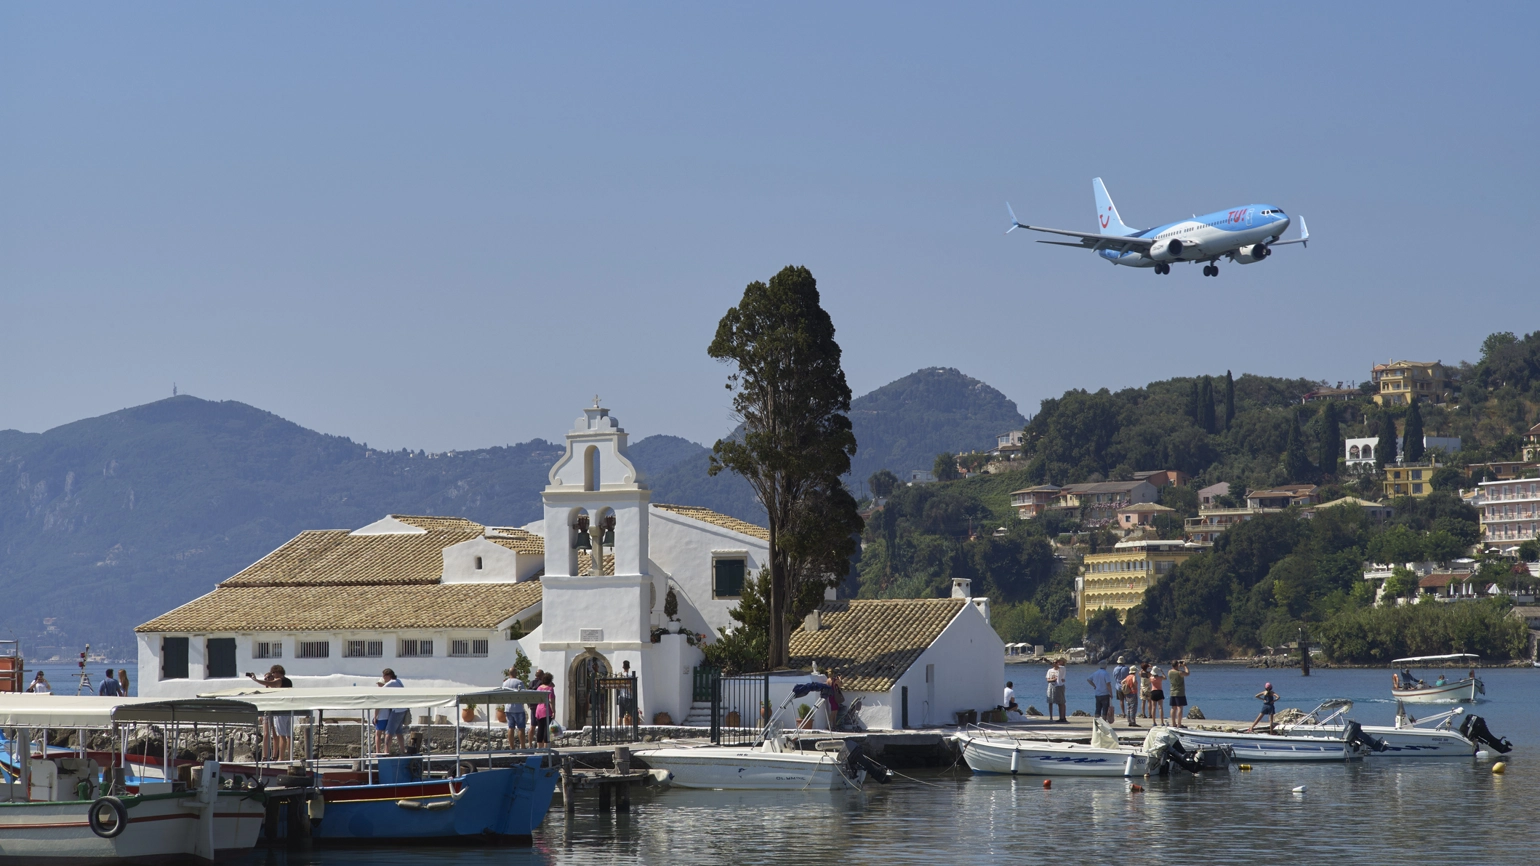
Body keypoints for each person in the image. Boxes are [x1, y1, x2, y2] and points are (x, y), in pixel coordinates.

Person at [247, 665, 294, 761]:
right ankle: (290, 758)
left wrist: (255, 680)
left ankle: (281, 758)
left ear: (277, 672)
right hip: (289, 709)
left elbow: (269, 683)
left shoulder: (280, 680)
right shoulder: (288, 681)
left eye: (273, 673)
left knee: (281, 735)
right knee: (289, 735)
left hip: (280, 709)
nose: (273, 675)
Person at [375, 669, 408, 755]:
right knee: (399, 732)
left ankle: (386, 752)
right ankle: (403, 750)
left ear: (388, 675)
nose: (383, 678)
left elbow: (380, 692)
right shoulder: (398, 681)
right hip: (403, 709)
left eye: (384, 676)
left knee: (388, 732)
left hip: (396, 710)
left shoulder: (391, 683)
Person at [502, 668, 528, 750]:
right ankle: (522, 747)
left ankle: (512, 747)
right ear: (516, 673)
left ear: (509, 673)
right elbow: (523, 694)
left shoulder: (505, 683)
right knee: (521, 728)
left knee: (510, 728)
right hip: (518, 708)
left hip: (508, 708)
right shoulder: (519, 682)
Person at [533, 672, 555, 745]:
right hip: (546, 710)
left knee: (540, 729)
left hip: (539, 710)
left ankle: (539, 747)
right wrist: (553, 711)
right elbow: (551, 701)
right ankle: (546, 747)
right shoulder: (550, 689)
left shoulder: (539, 688)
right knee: (546, 730)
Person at [1167, 660, 1190, 728]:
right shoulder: (1179, 672)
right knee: (1179, 708)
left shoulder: (1169, 672)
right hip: (1179, 692)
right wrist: (1185, 666)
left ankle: (1173, 723)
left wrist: (1178, 665)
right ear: (1177, 665)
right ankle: (1179, 724)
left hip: (1172, 691)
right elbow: (1187, 673)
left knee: (1173, 708)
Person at [1045, 658, 1067, 723]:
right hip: (1052, 686)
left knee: (1061, 702)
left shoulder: (1062, 668)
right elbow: (1048, 679)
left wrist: (1047, 661)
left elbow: (1055, 666)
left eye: (1058, 662)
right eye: (1055, 662)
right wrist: (1053, 680)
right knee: (1051, 701)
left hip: (1059, 686)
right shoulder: (1050, 670)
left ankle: (1062, 717)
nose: (1056, 663)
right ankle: (1052, 717)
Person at [1112, 656, 1131, 721]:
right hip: (1126, 686)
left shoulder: (1115, 669)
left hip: (1118, 686)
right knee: (1128, 700)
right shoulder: (1126, 668)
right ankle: (1129, 712)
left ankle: (1123, 713)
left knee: (1121, 700)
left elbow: (1114, 676)